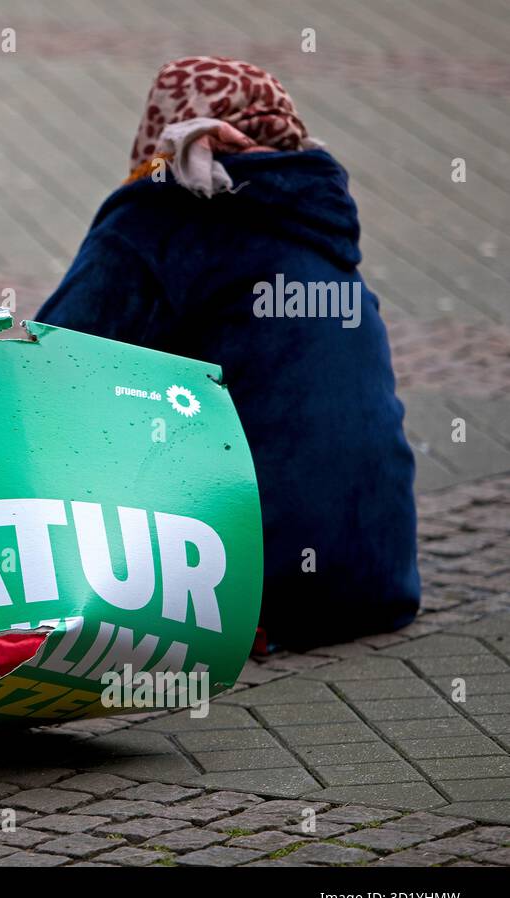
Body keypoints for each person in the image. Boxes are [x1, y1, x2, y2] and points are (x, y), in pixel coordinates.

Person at [33, 56, 420, 647]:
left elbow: (52, 358)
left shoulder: (161, 214)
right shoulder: (317, 211)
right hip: (380, 581)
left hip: (260, 593)